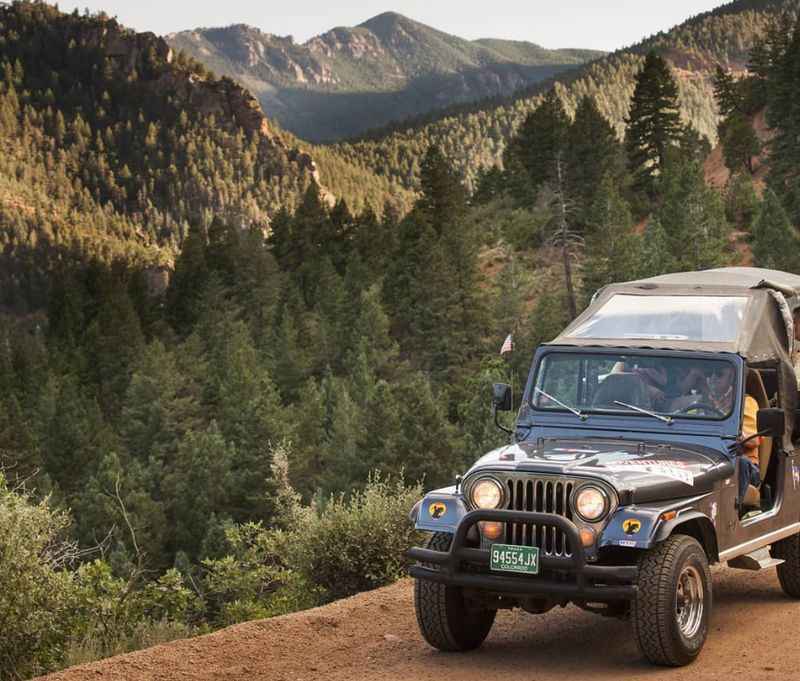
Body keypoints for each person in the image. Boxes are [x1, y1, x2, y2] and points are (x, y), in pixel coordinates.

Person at [707, 364, 761, 504]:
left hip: (745, 466)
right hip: (711, 459)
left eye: (719, 374)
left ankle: (735, 512)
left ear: (732, 379)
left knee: (741, 462)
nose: (713, 378)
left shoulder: (746, 402)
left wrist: (728, 430)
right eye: (709, 374)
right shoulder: (701, 401)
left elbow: (753, 440)